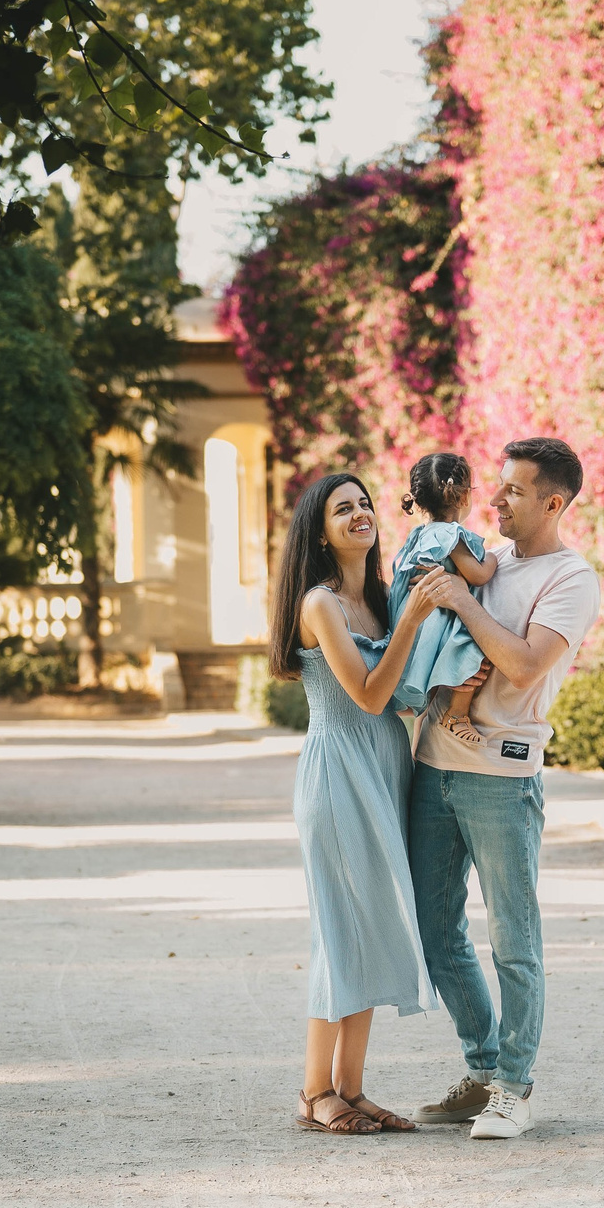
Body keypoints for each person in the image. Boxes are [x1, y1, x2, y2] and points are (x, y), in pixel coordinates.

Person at [401, 437, 602, 1140]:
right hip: (434, 767)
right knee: (435, 932)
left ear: (553, 502)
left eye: (515, 491)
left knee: (513, 940)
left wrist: (462, 596)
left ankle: (515, 1087)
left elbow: (521, 664)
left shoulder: (572, 579)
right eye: (500, 487)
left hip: (503, 778)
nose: (497, 499)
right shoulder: (483, 555)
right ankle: (483, 1069)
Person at [268, 471, 444, 1136]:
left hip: (383, 768)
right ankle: (315, 1091)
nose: (360, 513)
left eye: (366, 502)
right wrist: (415, 619)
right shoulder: (321, 604)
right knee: (340, 932)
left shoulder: (374, 599)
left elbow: (402, 691)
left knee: (369, 923)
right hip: (339, 773)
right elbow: (368, 694)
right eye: (343, 507)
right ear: (319, 530)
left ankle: (352, 1086)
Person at [386, 452, 501, 742]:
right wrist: (493, 560)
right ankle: (457, 714)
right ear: (464, 496)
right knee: (473, 646)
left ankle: (426, 719)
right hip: (441, 615)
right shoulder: (451, 535)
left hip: (416, 615)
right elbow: (477, 575)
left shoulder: (418, 535)